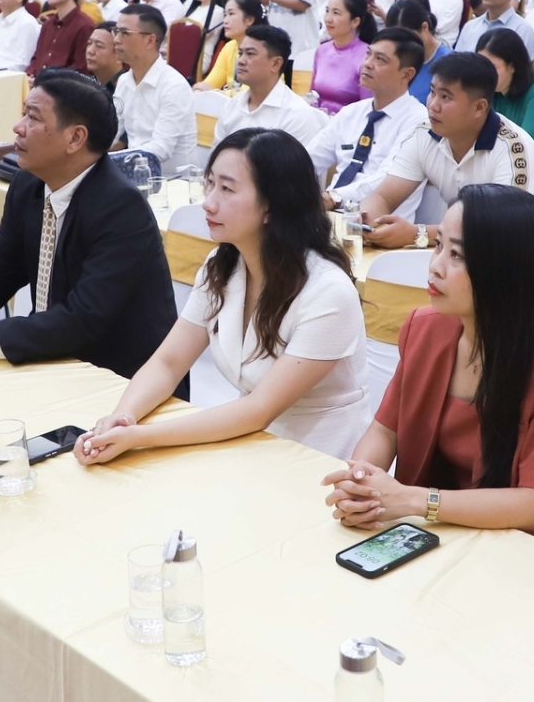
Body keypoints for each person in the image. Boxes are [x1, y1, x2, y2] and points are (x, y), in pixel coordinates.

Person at [323, 185, 534, 562]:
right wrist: (361, 483)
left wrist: (412, 500)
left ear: (504, 270)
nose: (435, 266)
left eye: (457, 255)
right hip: (440, 532)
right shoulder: (425, 328)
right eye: (438, 245)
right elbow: (385, 430)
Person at [77, 128, 372, 462]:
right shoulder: (221, 266)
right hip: (247, 442)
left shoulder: (329, 292)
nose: (208, 202)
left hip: (322, 460)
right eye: (210, 184)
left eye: (227, 189)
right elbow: (168, 363)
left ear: (272, 206)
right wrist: (123, 416)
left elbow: (259, 409)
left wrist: (138, 437)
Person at [0, 70, 180, 382]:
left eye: (32, 117)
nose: (18, 127)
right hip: (49, 355)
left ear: (75, 138)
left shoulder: (122, 208)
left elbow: (85, 317)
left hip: (119, 376)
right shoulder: (27, 184)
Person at [359, 52, 534, 249]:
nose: (433, 105)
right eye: (432, 92)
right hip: (456, 252)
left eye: (445, 97)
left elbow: (501, 228)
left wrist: (417, 234)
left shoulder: (513, 148)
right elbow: (383, 197)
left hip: (519, 253)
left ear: (479, 107)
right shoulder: (423, 134)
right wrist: (368, 223)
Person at [310, 27, 429, 220]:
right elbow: (309, 159)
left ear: (406, 74)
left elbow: (386, 180)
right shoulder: (351, 112)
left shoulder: (419, 121)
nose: (367, 64)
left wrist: (332, 198)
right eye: (368, 54)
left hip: (378, 226)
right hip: (327, 217)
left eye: (380, 59)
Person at [109, 4, 194, 173]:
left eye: (124, 33)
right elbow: (111, 133)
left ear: (150, 40)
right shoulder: (124, 81)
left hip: (173, 181)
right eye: (115, 31)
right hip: (133, 174)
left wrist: (109, 160)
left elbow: (161, 150)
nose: (116, 39)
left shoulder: (174, 86)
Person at [213, 24, 330, 145]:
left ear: (275, 64)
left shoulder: (297, 116)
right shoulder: (231, 106)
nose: (241, 61)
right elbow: (217, 155)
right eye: (240, 53)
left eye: (250, 54)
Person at [478, 26, 534, 141]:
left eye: (492, 67)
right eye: (481, 66)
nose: (485, 73)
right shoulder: (488, 93)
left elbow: (524, 143)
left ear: (512, 66)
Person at [311, 0, 374, 115]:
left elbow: (368, 107)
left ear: (355, 21)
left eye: (336, 13)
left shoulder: (367, 57)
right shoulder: (321, 51)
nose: (328, 19)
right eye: (327, 11)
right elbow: (312, 95)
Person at [27, 0, 95, 77]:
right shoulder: (47, 25)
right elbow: (36, 58)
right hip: (38, 82)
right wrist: (29, 75)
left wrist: (43, 81)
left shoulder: (84, 26)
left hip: (62, 84)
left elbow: (80, 68)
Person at [197, 0, 260, 92]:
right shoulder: (229, 47)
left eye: (231, 14)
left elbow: (249, 93)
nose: (225, 21)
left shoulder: (261, 49)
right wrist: (199, 90)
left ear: (249, 20)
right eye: (225, 15)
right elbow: (209, 84)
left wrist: (219, 93)